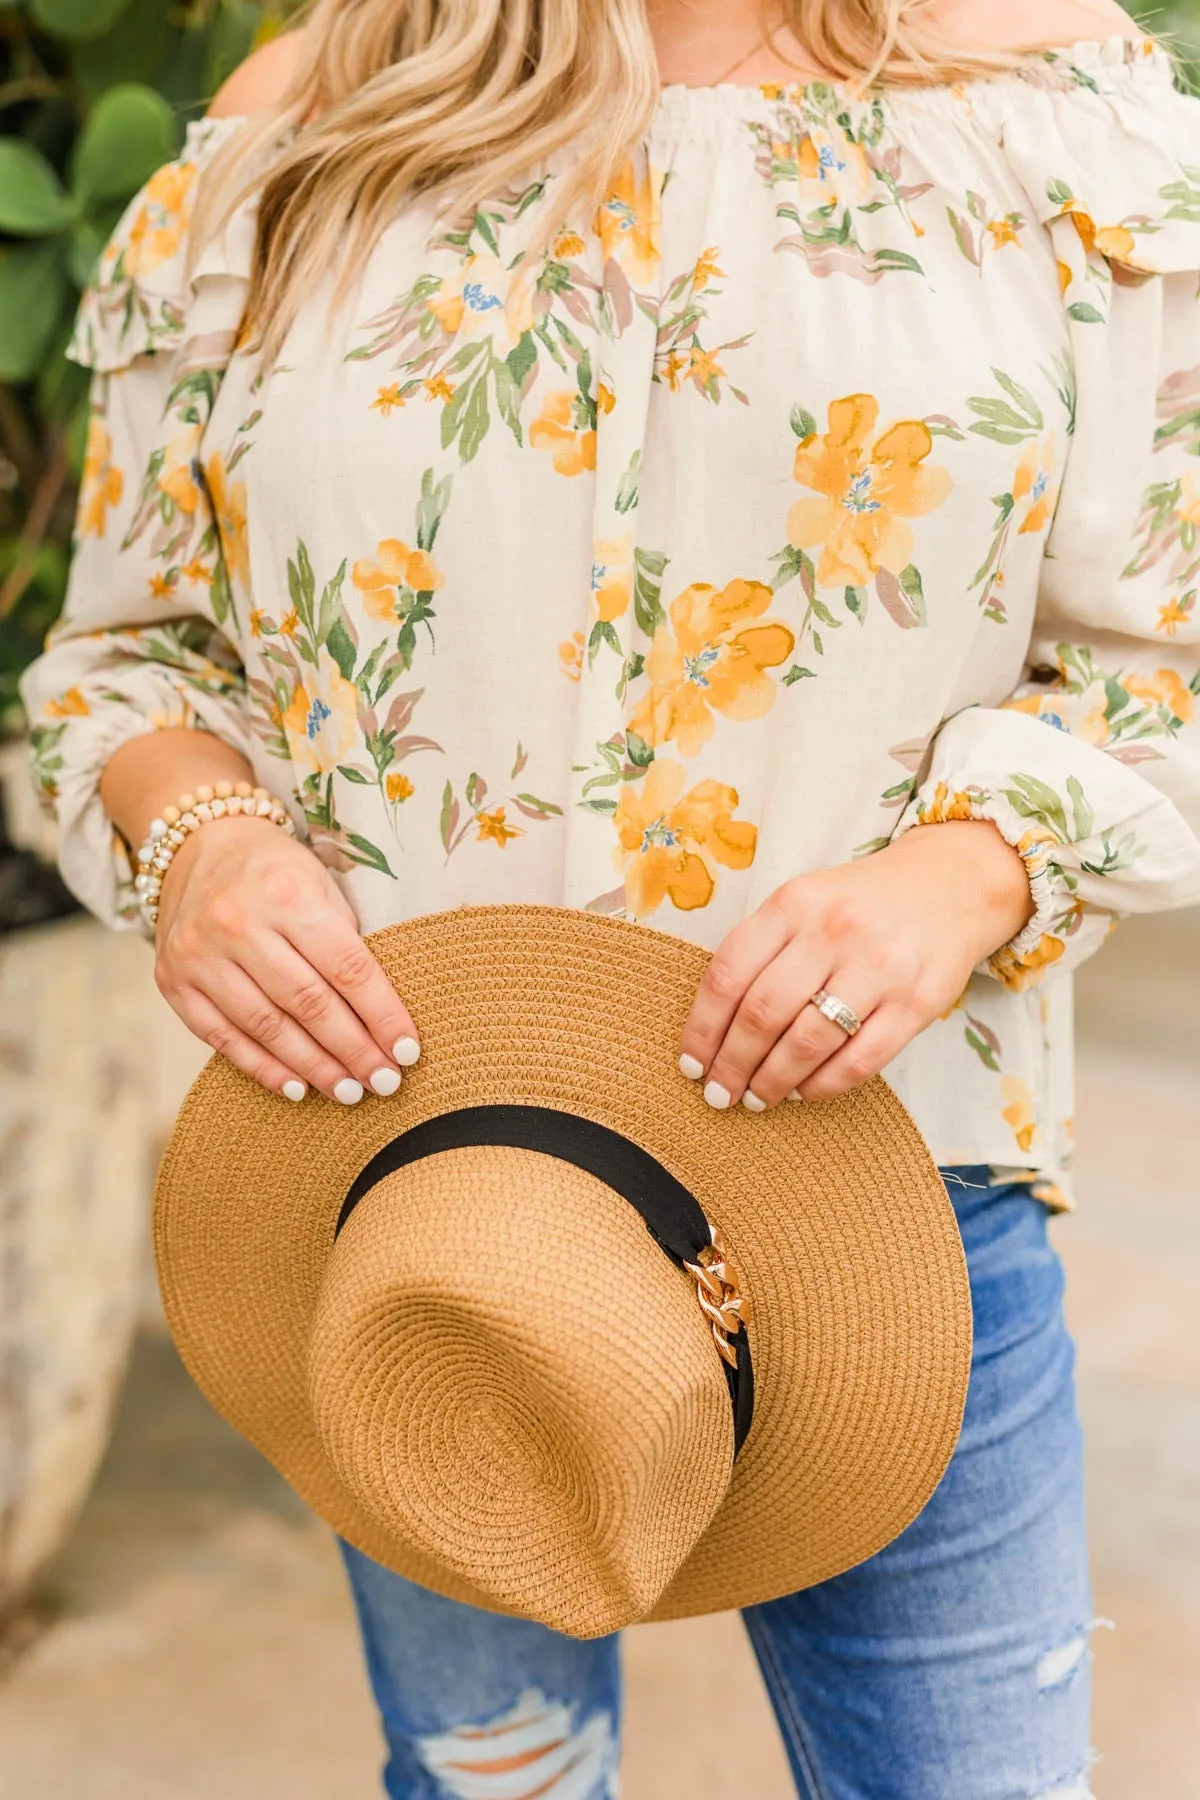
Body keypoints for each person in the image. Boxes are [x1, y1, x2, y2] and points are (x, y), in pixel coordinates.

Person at [22, 0, 1200, 1791]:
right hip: (422, 1213)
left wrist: (963, 875)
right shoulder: (307, 118)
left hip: (892, 1190)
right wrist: (209, 847)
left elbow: (1170, 651)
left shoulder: (1048, 106)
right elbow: (129, 658)